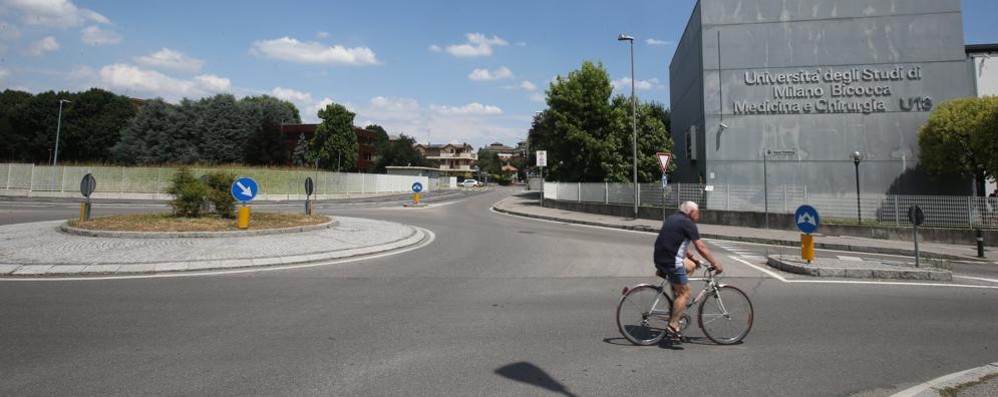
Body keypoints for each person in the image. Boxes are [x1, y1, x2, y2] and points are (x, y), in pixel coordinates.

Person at [653, 201, 724, 337]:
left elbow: (673, 242)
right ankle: (673, 325)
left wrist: (693, 258)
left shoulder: (672, 218)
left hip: (660, 258)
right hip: (671, 261)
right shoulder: (688, 223)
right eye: (698, 211)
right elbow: (701, 247)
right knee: (685, 292)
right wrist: (715, 263)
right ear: (691, 212)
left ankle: (676, 299)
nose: (699, 214)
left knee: (691, 266)